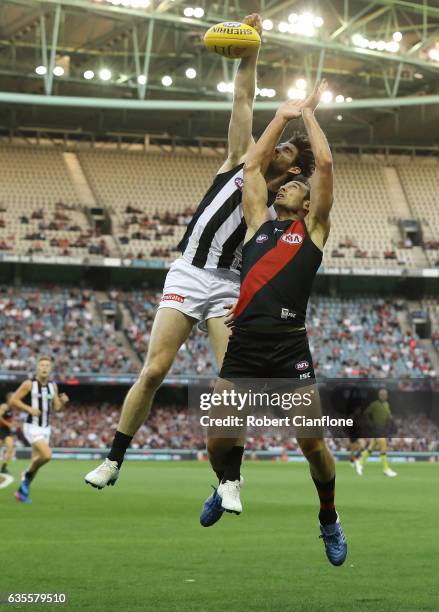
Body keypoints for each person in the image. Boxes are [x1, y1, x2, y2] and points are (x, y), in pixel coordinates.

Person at [85, 13, 316, 489]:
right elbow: (243, 97)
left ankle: (230, 479)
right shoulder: (238, 162)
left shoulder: (274, 218)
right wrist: (252, 48)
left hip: (230, 285)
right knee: (153, 370)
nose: (275, 151)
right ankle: (113, 460)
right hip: (188, 272)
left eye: (287, 154)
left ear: (293, 174)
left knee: (230, 381)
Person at [200, 80, 347, 567]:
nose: (287, 184)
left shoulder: (313, 231)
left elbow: (324, 165)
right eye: (286, 183)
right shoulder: (258, 224)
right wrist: (281, 116)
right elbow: (249, 165)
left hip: (288, 353)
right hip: (244, 348)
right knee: (217, 441)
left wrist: (308, 113)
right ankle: (227, 482)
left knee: (313, 448)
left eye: (296, 187)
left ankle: (328, 518)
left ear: (307, 204)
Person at [11, 356, 69, 503]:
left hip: (46, 428)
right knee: (47, 455)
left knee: (37, 462)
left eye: (47, 366)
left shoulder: (52, 386)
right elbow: (14, 400)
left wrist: (63, 402)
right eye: (42, 365)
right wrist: (29, 408)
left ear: (50, 369)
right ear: (37, 368)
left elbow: (56, 408)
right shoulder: (29, 384)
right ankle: (26, 473)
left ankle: (22, 493)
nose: (44, 368)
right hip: (32, 426)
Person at [359, 388, 397, 477]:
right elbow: (365, 413)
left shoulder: (387, 404)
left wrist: (390, 418)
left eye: (385, 395)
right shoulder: (374, 404)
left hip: (382, 428)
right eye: (382, 395)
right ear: (379, 395)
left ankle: (360, 463)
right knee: (383, 446)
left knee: (371, 448)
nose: (384, 396)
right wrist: (370, 423)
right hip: (376, 428)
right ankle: (386, 469)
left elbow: (388, 414)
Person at [0, 393, 14, 475]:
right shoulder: (3, 406)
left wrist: (11, 424)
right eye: (13, 397)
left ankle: (3, 468)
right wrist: (8, 424)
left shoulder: (11, 408)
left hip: (7, 431)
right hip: (1, 430)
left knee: (10, 448)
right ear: (8, 398)